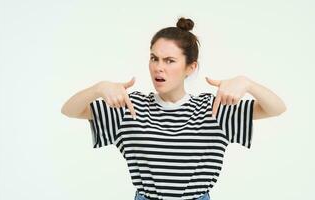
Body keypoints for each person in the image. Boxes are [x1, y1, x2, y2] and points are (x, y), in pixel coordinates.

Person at [61, 17, 286, 200]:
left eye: (169, 61)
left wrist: (247, 83)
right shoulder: (130, 107)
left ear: (190, 67)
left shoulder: (214, 108)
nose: (159, 68)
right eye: (154, 58)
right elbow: (69, 110)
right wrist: (98, 89)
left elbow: (276, 108)